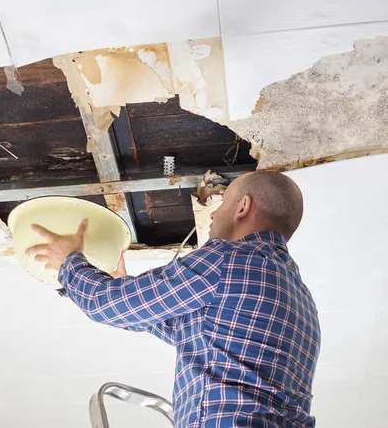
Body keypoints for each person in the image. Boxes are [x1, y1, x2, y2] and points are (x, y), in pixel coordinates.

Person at [26, 171, 321, 428]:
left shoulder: (226, 260)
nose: (215, 214)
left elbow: (106, 306)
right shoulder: (302, 300)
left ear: (243, 207)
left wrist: (69, 263)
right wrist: (118, 291)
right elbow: (194, 333)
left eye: (222, 203)